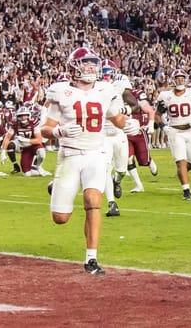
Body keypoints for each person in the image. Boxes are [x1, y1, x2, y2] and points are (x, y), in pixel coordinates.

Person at [41, 47, 128, 275]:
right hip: (70, 155)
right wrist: (59, 132)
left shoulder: (105, 90)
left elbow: (117, 118)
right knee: (60, 218)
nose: (90, 68)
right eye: (85, 64)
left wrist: (131, 124)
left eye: (93, 64)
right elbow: (45, 129)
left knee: (92, 199)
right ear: (74, 67)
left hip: (95, 154)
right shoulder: (61, 92)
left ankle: (91, 258)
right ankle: (55, 187)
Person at [156, 68, 191, 200]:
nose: (180, 80)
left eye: (182, 78)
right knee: (180, 162)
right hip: (175, 131)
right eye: (177, 78)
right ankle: (186, 190)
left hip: (190, 131)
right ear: (173, 80)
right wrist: (163, 127)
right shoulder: (165, 96)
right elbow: (158, 115)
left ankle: (182, 173)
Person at [100, 60, 141, 217]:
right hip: (103, 134)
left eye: (108, 71)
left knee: (122, 170)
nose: (105, 75)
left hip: (118, 133)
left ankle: (117, 180)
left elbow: (135, 105)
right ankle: (112, 203)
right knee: (105, 168)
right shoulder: (92, 89)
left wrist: (125, 110)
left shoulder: (119, 85)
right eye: (103, 71)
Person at [0, 106, 49, 176]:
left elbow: (39, 140)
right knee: (27, 174)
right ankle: (33, 170)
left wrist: (27, 140)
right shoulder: (15, 123)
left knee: (41, 153)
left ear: (29, 115)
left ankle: (38, 166)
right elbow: (7, 138)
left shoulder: (33, 122)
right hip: (25, 148)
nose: (23, 117)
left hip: (34, 145)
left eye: (25, 115)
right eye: (21, 116)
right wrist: (3, 152)